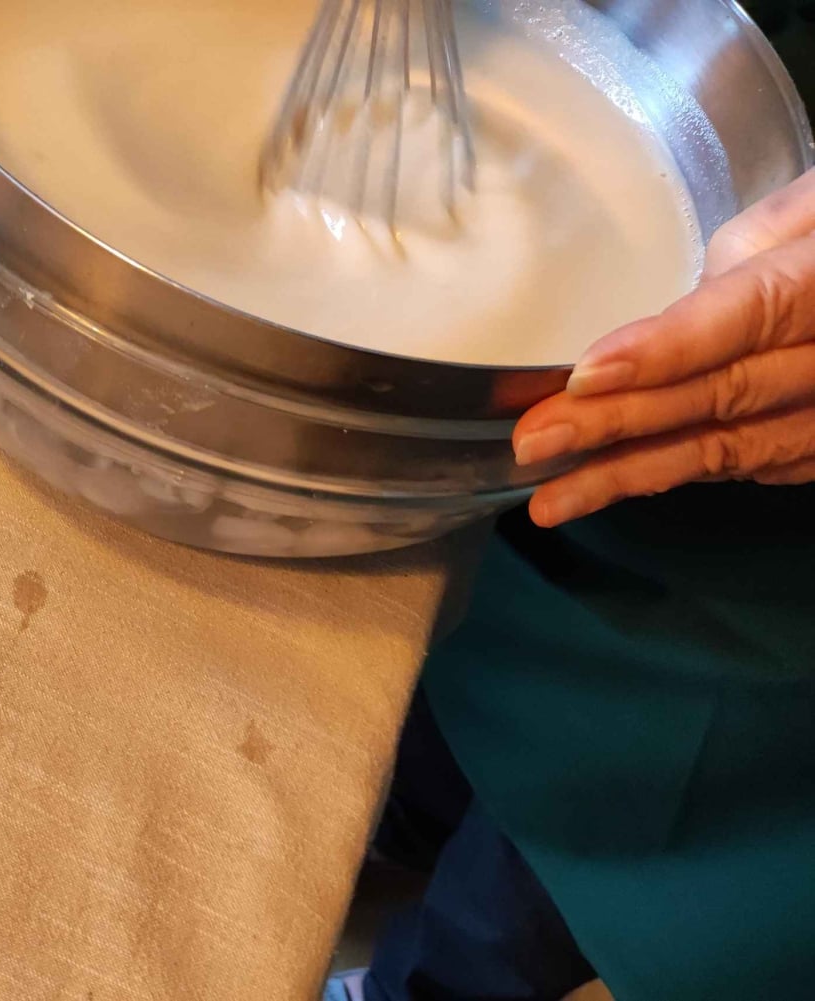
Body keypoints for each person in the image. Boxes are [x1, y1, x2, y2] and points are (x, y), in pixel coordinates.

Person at [328, 9, 815, 1000]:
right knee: (428, 703)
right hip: (526, 444)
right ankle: (395, 827)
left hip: (755, 637)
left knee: (537, 878)